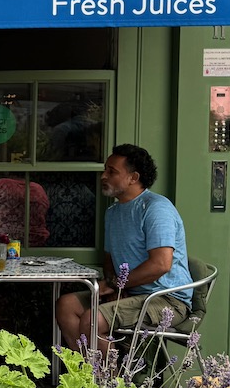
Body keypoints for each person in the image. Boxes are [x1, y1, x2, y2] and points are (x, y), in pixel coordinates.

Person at [55, 144, 192, 352]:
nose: (103, 176)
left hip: (166, 299)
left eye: (112, 171)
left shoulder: (157, 209)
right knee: (66, 305)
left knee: (93, 320)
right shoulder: (113, 212)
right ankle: (89, 375)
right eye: (105, 170)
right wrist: (114, 284)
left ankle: (113, 382)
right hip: (129, 291)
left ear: (133, 178)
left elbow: (161, 264)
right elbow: (109, 258)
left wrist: (119, 286)